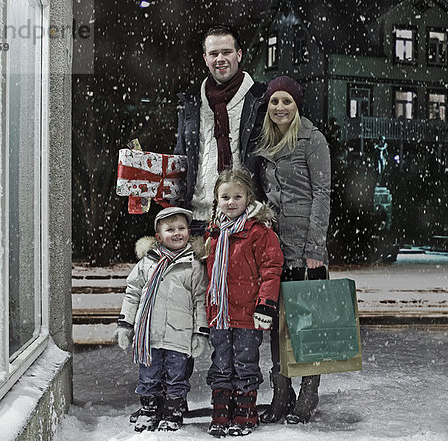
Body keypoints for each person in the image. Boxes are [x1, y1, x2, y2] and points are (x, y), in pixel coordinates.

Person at [254, 76, 331, 424]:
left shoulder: (312, 140)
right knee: (275, 324)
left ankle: (308, 393)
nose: (280, 107)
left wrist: (315, 246)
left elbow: (322, 195)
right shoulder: (264, 142)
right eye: (274, 102)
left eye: (286, 101)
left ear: (297, 104)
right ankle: (280, 392)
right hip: (275, 247)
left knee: (305, 324)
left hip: (305, 246)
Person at [114, 206, 209, 432]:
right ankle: (149, 410)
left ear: (189, 232)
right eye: (170, 230)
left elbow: (200, 300)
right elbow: (133, 292)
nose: (177, 233)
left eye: (182, 228)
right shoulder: (148, 262)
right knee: (149, 375)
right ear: (158, 237)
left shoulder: (193, 265)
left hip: (179, 334)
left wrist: (200, 332)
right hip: (149, 335)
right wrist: (125, 324)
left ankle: (172, 411)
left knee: (176, 376)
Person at [204, 169, 283, 437]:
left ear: (248, 197)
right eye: (225, 196)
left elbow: (271, 268)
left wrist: (265, 304)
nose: (231, 202)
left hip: (249, 314)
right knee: (221, 363)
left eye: (237, 196)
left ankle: (245, 412)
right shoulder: (214, 233)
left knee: (246, 362)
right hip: (221, 315)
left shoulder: (259, 232)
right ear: (216, 199)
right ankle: (221, 411)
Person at [174, 24, 266, 235]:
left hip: (245, 220)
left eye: (227, 52)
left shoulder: (260, 99)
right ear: (205, 58)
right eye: (214, 53)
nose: (220, 59)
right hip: (197, 218)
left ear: (239, 54)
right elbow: (180, 158)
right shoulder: (191, 103)